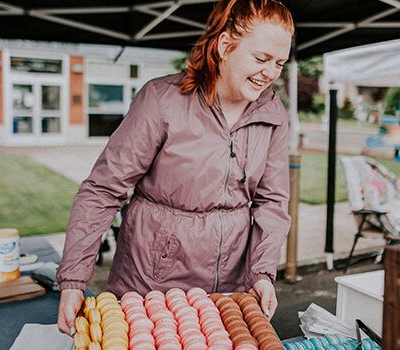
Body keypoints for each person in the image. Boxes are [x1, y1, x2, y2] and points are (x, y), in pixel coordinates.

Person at [56, 0, 294, 335]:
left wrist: (262, 274)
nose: (271, 73)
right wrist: (73, 280)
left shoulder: (272, 113)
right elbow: (102, 190)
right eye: (261, 59)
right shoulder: (161, 99)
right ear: (225, 46)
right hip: (149, 286)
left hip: (226, 294)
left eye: (280, 63)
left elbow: (272, 204)